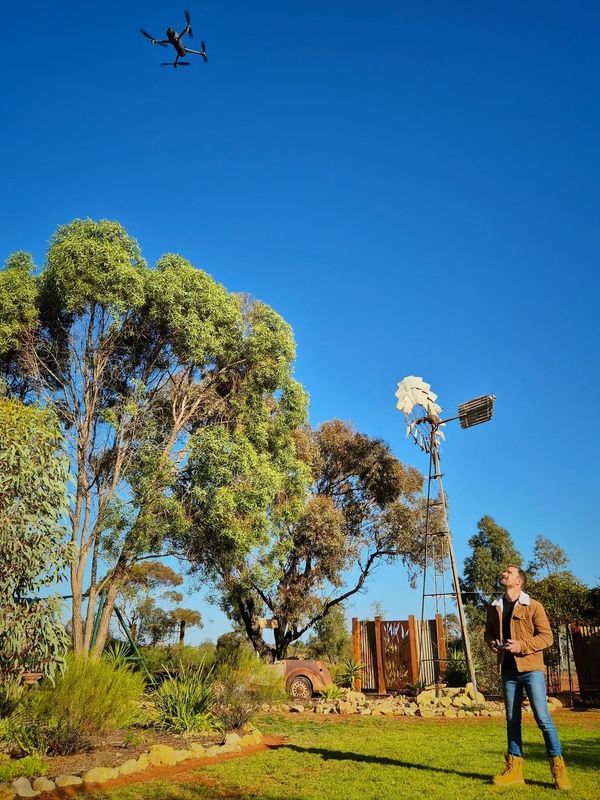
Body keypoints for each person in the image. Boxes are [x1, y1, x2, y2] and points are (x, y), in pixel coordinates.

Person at [484, 565, 571, 791]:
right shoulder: (494, 607)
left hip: (531, 669)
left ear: (519, 581)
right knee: (512, 720)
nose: (504, 573)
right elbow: (488, 633)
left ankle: (558, 769)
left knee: (543, 718)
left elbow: (547, 637)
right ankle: (515, 770)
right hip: (508, 671)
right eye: (503, 571)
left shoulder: (533, 606)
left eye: (509, 572)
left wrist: (521, 645)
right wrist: (492, 643)